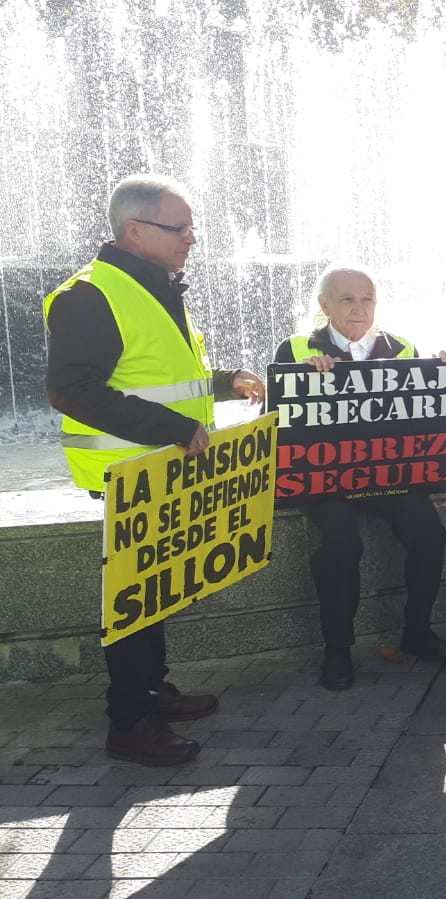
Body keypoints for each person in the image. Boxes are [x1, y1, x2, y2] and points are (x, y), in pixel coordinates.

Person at [44, 174, 265, 766]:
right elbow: (71, 391)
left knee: (155, 591)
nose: (192, 238)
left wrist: (224, 383)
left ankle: (151, 690)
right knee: (133, 600)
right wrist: (172, 428)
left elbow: (158, 376)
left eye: (192, 227)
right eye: (179, 228)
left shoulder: (153, 286)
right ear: (134, 231)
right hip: (126, 471)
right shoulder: (91, 295)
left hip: (159, 468)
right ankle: (129, 723)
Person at [274, 266, 446, 690]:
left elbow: (424, 410)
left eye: (367, 299)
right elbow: (279, 419)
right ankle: (337, 650)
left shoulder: (401, 347)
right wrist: (302, 377)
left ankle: (417, 631)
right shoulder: (296, 348)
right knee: (341, 545)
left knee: (430, 533)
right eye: (347, 299)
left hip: (385, 472)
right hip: (326, 479)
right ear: (324, 305)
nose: (359, 308)